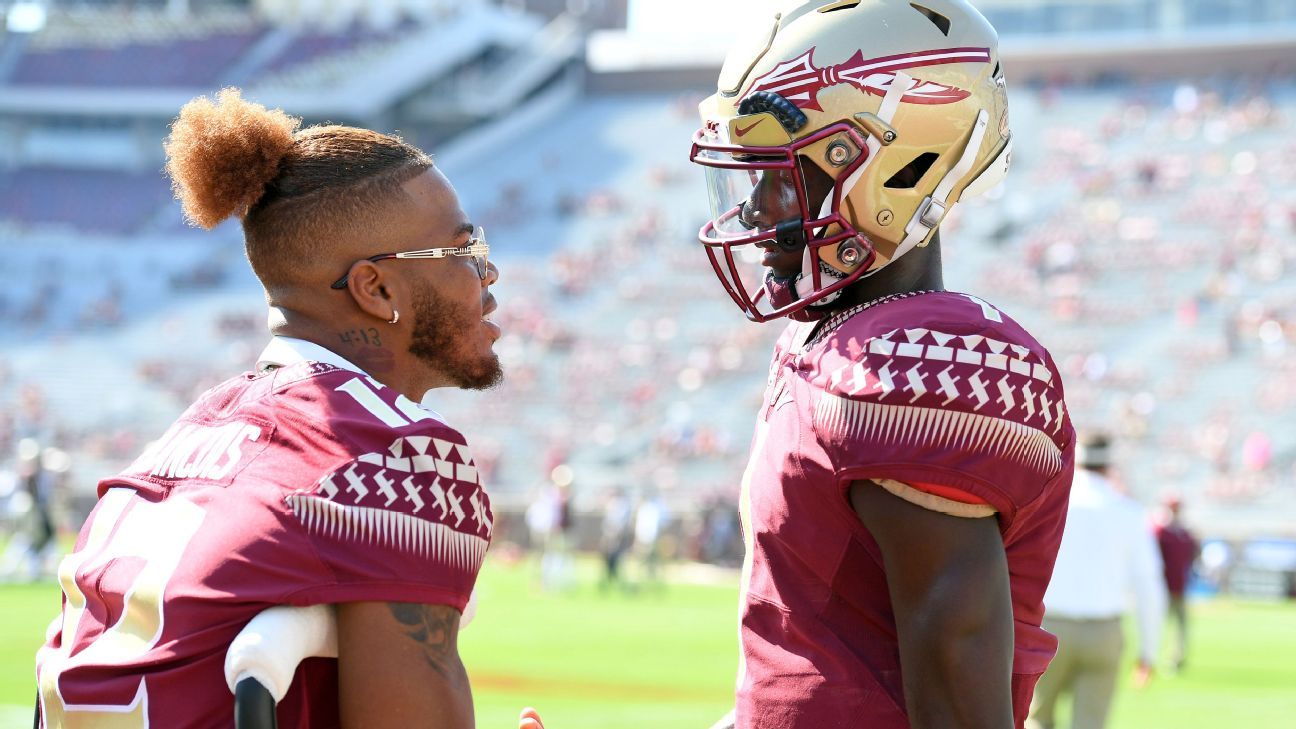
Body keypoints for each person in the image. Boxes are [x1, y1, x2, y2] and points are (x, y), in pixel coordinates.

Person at [35, 89, 543, 729]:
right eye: (463, 251)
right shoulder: (397, 457)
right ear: (376, 288)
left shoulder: (175, 444)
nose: (488, 274)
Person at [687, 2, 1074, 727]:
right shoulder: (830, 344)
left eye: (784, 177)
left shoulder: (917, 360)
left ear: (893, 164)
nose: (757, 213)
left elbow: (959, 708)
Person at [1027, 433, 1166, 729]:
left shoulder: (1051, 503)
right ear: (1109, 465)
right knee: (1091, 723)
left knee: (1038, 718)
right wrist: (1149, 650)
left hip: (1050, 625)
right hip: (1104, 630)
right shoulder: (1129, 511)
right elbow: (1148, 586)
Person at [1154, 491, 1198, 671]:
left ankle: (1176, 657)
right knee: (1157, 623)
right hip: (1162, 587)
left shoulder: (1184, 532)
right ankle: (1151, 657)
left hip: (1180, 586)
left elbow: (1192, 553)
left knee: (1180, 625)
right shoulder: (1160, 531)